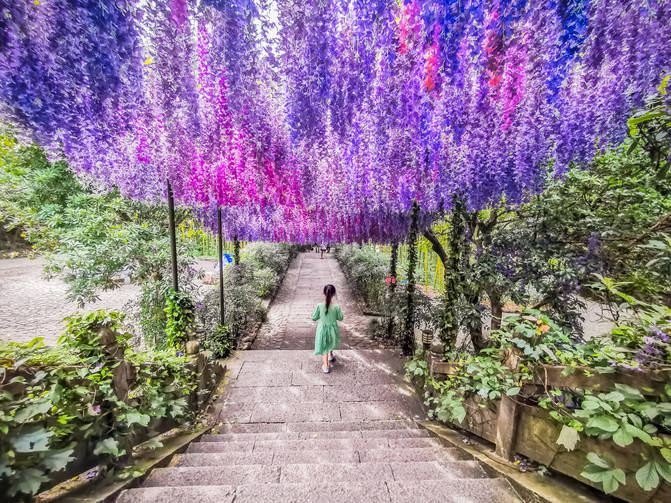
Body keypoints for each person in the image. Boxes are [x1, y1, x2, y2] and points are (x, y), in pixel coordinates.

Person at [311, 284, 343, 373]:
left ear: (323, 293)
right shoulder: (336, 307)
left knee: (324, 345)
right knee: (330, 341)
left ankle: (326, 366)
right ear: (334, 294)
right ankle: (330, 355)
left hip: (322, 329)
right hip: (333, 329)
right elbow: (340, 318)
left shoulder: (319, 306)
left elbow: (313, 317)